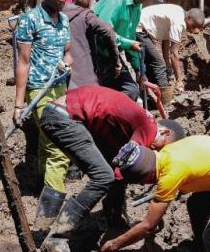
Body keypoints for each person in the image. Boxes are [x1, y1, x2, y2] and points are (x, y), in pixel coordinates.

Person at [36, 84, 185, 250]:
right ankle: (56, 238)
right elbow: (128, 163)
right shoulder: (149, 127)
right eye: (161, 148)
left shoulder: (138, 123)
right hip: (66, 117)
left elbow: (118, 164)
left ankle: (114, 219)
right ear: (164, 132)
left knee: (109, 172)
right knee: (104, 176)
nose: (156, 152)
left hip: (64, 113)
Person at [101, 135, 210, 252]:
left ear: (148, 175)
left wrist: (114, 245)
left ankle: (207, 243)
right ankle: (201, 246)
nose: (144, 185)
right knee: (196, 204)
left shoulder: (171, 174)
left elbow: (147, 226)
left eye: (142, 181)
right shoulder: (166, 152)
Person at [13, 0, 72, 232]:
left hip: (60, 87)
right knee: (57, 147)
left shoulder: (65, 19)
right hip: (38, 90)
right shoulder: (30, 20)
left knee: (44, 141)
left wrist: (65, 63)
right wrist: (18, 104)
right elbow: (22, 63)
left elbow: (69, 51)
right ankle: (49, 212)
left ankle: (40, 185)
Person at [93, 0, 165, 101]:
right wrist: (128, 44)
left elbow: (131, 37)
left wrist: (138, 69)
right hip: (95, 55)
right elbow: (103, 33)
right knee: (100, 93)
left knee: (131, 90)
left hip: (112, 55)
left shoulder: (137, 5)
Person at [137, 4, 205, 95]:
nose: (193, 29)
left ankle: (151, 95)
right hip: (138, 28)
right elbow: (174, 54)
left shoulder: (179, 11)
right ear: (188, 18)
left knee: (153, 62)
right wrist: (179, 80)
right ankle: (165, 98)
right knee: (159, 64)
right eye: (194, 26)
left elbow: (166, 41)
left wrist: (168, 65)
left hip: (140, 26)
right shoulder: (179, 22)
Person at [62, 0, 119, 89]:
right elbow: (108, 31)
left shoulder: (55, 14)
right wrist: (115, 60)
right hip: (85, 76)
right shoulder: (86, 15)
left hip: (61, 75)